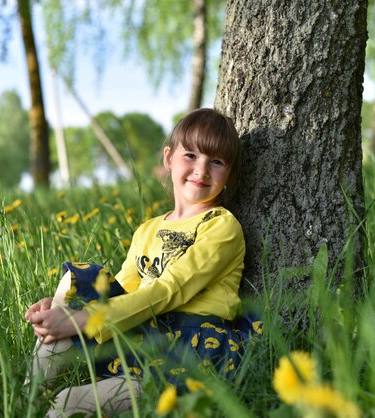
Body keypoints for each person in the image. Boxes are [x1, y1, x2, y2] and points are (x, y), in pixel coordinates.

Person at [25, 108, 259, 417]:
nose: (201, 170)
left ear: (229, 174)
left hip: (188, 349)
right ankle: (25, 399)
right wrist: (63, 307)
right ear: (168, 158)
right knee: (76, 283)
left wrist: (86, 319)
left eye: (215, 162)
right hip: (142, 335)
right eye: (190, 155)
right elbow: (122, 290)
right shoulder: (148, 229)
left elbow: (169, 290)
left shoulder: (220, 226)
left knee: (68, 402)